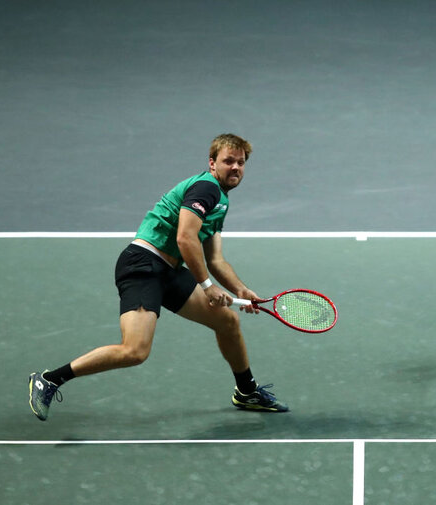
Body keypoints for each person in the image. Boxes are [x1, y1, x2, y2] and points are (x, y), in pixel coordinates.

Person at [29, 133, 288, 421]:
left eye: (241, 162)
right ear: (212, 163)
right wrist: (207, 287)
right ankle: (49, 379)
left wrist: (241, 290)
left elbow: (215, 258)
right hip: (143, 266)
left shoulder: (221, 201)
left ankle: (246, 391)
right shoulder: (206, 188)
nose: (236, 168)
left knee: (227, 321)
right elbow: (186, 238)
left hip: (168, 271)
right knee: (135, 351)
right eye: (229, 161)